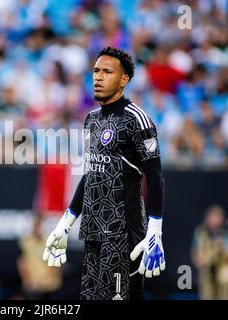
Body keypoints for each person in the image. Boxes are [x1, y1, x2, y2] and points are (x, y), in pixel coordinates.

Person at [43, 47, 166, 300]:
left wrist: (155, 229)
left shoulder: (137, 119)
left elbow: (155, 176)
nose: (98, 77)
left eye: (107, 72)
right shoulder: (91, 119)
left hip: (122, 236)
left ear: (124, 80)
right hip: (93, 233)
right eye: (96, 71)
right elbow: (91, 173)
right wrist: (65, 224)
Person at [191, 205, 228, 300]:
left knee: (226, 276)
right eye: (212, 217)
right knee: (206, 291)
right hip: (207, 268)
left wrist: (222, 247)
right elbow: (196, 253)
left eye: (218, 217)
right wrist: (201, 260)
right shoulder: (200, 232)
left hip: (224, 267)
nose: (214, 220)